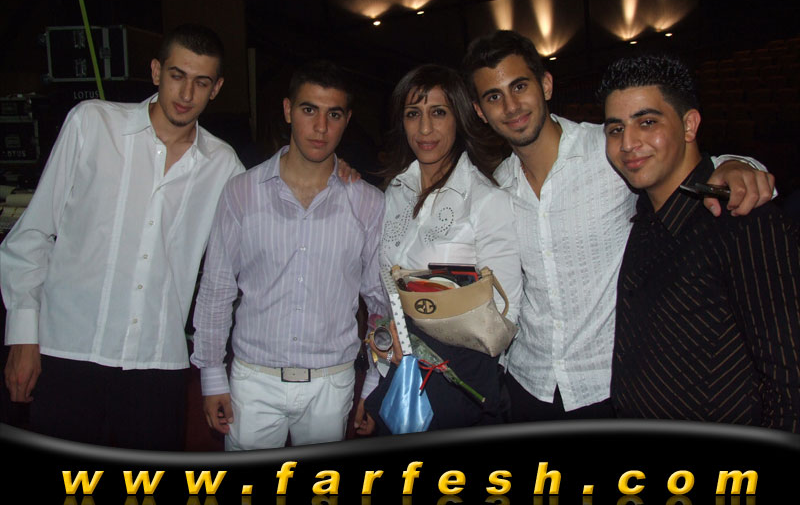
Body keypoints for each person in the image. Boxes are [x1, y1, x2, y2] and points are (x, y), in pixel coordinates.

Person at [460, 30, 776, 423]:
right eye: (494, 97)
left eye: (519, 86)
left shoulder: (611, 149)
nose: (510, 106)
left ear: (546, 85)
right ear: (480, 111)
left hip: (610, 386)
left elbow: (680, 163)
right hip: (528, 383)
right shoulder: (496, 187)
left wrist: (737, 165)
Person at [0, 23, 245, 449]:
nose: (187, 93)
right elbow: (33, 233)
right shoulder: (92, 123)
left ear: (216, 88)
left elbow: (265, 214)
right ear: (156, 71)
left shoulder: (223, 165)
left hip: (156, 365)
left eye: (201, 82)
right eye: (177, 75)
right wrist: (23, 334)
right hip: (68, 351)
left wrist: (337, 171)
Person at [190, 60, 388, 450]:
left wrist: (374, 382)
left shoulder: (368, 203)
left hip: (332, 381)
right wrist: (211, 375)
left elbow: (379, 302)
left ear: (347, 120)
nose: (321, 127)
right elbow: (216, 290)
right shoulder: (241, 192)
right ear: (287, 110)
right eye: (309, 109)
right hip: (253, 379)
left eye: (334, 114)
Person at [599, 53, 800, 431]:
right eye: (615, 129)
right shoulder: (643, 214)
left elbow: (791, 379)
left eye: (647, 122)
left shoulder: (743, 222)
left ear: (689, 125)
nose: (628, 143)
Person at [363, 64, 523, 432]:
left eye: (438, 112)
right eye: (412, 114)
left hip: (458, 382)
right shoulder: (394, 193)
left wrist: (426, 345)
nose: (424, 129)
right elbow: (383, 295)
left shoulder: (486, 200)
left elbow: (505, 314)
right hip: (399, 374)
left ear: (459, 117)